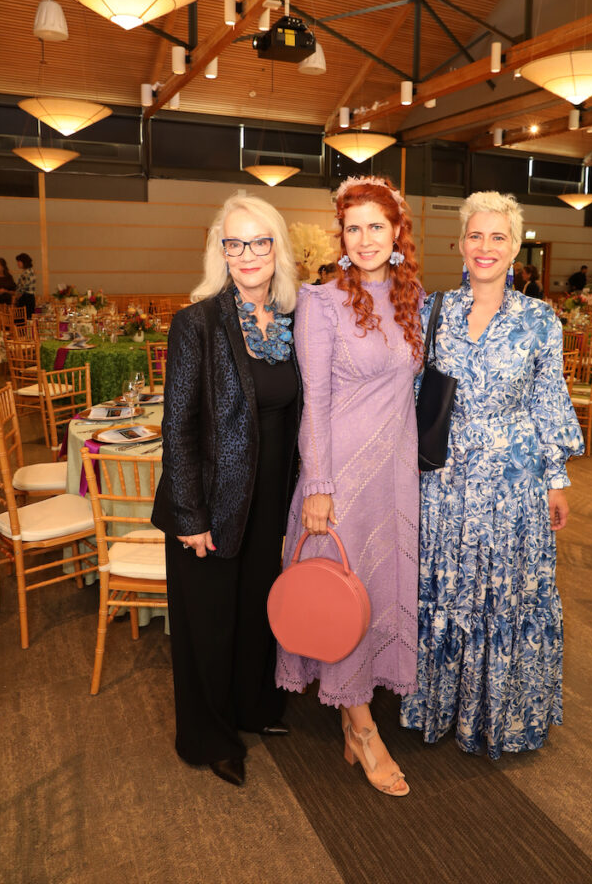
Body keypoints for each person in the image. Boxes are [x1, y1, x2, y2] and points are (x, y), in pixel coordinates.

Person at [400, 191, 584, 759]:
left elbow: (548, 401)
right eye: (475, 236)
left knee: (509, 596)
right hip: (445, 481)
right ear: (460, 244)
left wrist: (555, 477)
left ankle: (502, 714)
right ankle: (441, 706)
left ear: (515, 247)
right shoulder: (432, 310)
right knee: (447, 588)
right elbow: (408, 394)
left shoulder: (539, 319)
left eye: (497, 237)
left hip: (514, 483)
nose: (485, 247)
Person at [276, 175, 423, 797]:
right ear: (341, 235)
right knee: (340, 595)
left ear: (397, 233)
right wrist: (319, 484)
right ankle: (363, 731)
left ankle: (352, 713)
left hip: (395, 474)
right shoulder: (321, 301)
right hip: (339, 482)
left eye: (376, 226)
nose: (364, 239)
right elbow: (315, 401)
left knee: (375, 593)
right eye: (353, 227)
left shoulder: (413, 296)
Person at [152, 195, 302, 788]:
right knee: (208, 624)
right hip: (211, 501)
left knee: (256, 610)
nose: (247, 255)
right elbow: (177, 425)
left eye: (259, 241)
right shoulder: (197, 323)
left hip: (271, 500)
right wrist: (189, 513)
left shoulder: (294, 319)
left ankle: (253, 708)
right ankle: (209, 736)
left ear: (277, 249)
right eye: (234, 243)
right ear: (220, 251)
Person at [13, 253, 36, 319]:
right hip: (31, 297)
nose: (17, 263)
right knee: (29, 318)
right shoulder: (31, 271)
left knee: (21, 318)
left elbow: (21, 289)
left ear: (24, 262)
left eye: (19, 261)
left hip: (25, 298)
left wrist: (16, 299)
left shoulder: (25, 273)